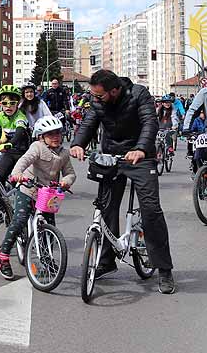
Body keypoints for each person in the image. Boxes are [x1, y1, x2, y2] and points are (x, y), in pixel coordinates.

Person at [70, 69, 175, 294]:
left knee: (151, 210)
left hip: (141, 156)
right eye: (93, 96)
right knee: (105, 207)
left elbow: (149, 123)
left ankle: (164, 269)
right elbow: (89, 123)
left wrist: (140, 148)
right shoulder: (97, 100)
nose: (95, 99)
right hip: (111, 157)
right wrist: (78, 143)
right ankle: (106, 261)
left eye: (99, 96)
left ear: (115, 90)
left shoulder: (139, 94)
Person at [0, 115, 75, 280]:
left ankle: (46, 259)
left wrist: (66, 182)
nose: (55, 137)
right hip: (28, 189)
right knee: (19, 220)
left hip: (47, 194)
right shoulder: (36, 147)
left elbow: (70, 173)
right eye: (50, 134)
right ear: (41, 136)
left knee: (49, 227)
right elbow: (24, 161)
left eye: (58, 133)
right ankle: (3, 256)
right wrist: (17, 174)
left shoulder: (64, 153)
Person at [0, 85, 31, 185]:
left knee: (18, 181)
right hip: (9, 151)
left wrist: (10, 144)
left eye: (12, 103)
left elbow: (19, 134)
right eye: (4, 103)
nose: (8, 106)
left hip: (23, 152)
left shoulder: (20, 117)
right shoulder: (0, 116)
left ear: (18, 104)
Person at [156, 94, 181, 158]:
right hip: (160, 127)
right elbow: (153, 118)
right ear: (162, 103)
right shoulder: (158, 110)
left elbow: (174, 117)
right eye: (165, 102)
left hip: (170, 127)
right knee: (155, 139)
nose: (167, 104)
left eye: (169, 102)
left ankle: (170, 149)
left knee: (167, 136)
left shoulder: (173, 110)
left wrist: (174, 125)